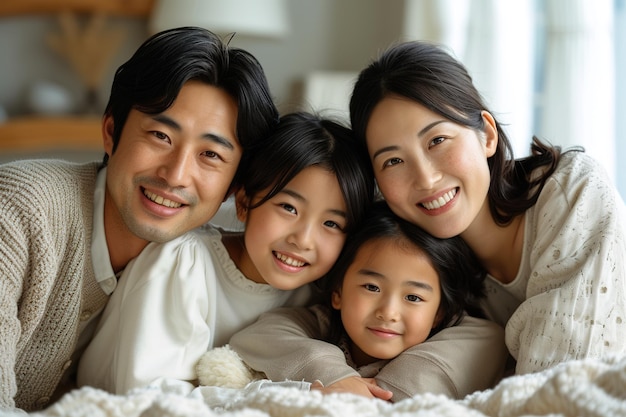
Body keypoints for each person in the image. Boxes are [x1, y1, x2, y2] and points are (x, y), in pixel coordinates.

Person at [0, 26, 279, 413]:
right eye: (161, 136)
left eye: (211, 155)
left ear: (235, 185)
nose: (176, 175)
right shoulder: (19, 209)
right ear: (111, 132)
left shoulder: (210, 258)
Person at [347, 40, 626, 375]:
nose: (426, 178)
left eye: (437, 140)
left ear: (487, 135)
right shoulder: (411, 259)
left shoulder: (571, 191)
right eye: (393, 160)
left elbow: (563, 381)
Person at [76, 112, 376, 395]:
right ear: (244, 202)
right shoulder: (184, 264)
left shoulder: (320, 295)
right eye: (288, 208)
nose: (303, 240)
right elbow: (150, 397)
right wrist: (298, 394)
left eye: (331, 223)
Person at [229, 200, 491, 402]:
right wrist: (340, 379)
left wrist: (390, 391)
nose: (388, 312)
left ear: (439, 313)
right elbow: (257, 335)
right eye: (371, 287)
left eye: (413, 297)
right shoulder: (322, 325)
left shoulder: (449, 337)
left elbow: (488, 336)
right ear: (338, 293)